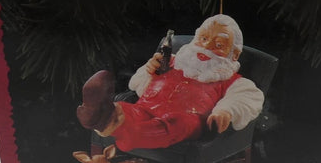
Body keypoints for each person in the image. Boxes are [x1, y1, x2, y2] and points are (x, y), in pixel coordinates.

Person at [77, 14, 264, 152]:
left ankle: (126, 132)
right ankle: (102, 114)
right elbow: (136, 86)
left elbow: (247, 98)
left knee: (178, 123)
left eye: (219, 45)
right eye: (204, 39)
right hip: (145, 109)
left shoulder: (232, 81)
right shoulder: (171, 60)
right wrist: (149, 70)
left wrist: (225, 112)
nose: (207, 47)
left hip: (188, 120)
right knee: (125, 109)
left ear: (234, 55)